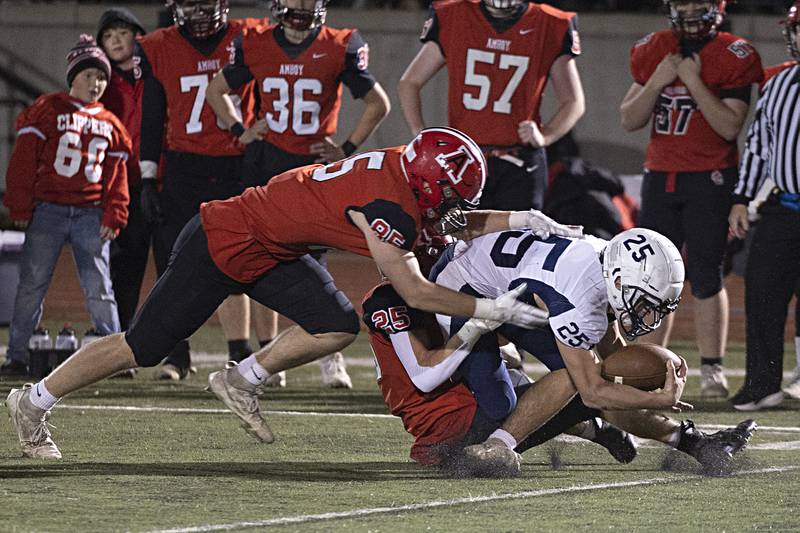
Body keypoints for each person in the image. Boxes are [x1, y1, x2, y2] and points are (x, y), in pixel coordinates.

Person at [4, 127, 581, 459]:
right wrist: (490, 310)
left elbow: (450, 217)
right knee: (143, 346)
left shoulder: (404, 176)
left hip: (274, 248)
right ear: (426, 182)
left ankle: (240, 378)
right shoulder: (390, 207)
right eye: (448, 197)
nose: (454, 209)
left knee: (336, 323)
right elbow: (415, 289)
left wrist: (520, 217)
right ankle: (32, 402)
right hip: (225, 238)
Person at [423, 227, 756, 476]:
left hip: (517, 293)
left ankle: (694, 442)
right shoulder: (579, 297)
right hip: (462, 289)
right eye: (645, 303)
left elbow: (611, 371)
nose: (650, 316)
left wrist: (638, 383)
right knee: (513, 405)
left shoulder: (606, 265)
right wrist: (655, 399)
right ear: (621, 282)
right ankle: (501, 444)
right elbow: (594, 392)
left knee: (601, 375)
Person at [206, 0, 391, 388]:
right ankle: (269, 354)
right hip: (268, 165)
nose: (298, 12)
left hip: (312, 171)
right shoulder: (255, 42)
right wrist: (240, 130)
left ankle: (330, 354)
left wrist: (347, 149)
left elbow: (379, 103)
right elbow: (217, 89)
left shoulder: (339, 45)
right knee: (260, 256)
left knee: (317, 261)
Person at [619, 0, 763, 398]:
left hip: (709, 178)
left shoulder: (734, 52)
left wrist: (693, 81)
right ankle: (653, 363)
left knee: (705, 273)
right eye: (682, 4)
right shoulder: (655, 48)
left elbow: (729, 126)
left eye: (697, 4)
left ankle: (712, 368)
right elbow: (629, 119)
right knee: (652, 278)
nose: (688, 12)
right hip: (660, 175)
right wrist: (658, 80)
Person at [361, 279, 638, 472]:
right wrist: (476, 326)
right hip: (453, 430)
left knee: (519, 376)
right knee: (580, 382)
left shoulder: (439, 284)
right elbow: (425, 376)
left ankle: (600, 429)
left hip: (461, 415)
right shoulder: (388, 299)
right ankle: (656, 433)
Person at [135, 0, 267, 380]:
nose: (200, 10)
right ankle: (178, 354)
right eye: (191, 3)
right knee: (173, 260)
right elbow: (153, 115)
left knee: (240, 255)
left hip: (236, 161)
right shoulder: (158, 46)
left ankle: (241, 352)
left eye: (207, 2)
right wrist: (148, 176)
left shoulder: (248, 35)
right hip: (184, 164)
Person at [1, 35, 131, 378]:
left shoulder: (112, 124)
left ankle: (115, 359)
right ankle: (17, 355)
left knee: (100, 287)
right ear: (73, 76)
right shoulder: (47, 109)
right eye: (89, 75)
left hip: (90, 213)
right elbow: (24, 162)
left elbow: (116, 177)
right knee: (32, 284)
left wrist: (115, 213)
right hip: (49, 210)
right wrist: (20, 204)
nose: (96, 83)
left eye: (101, 77)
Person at [398, 0, 585, 212]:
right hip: (463, 162)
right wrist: (421, 136)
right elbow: (410, 83)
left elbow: (574, 102)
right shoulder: (453, 15)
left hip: (518, 161)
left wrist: (546, 136)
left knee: (518, 240)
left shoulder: (551, 23)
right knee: (462, 240)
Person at [728, 1, 800, 410]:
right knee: (763, 295)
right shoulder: (777, 83)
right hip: (782, 206)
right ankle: (762, 383)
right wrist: (741, 197)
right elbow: (758, 146)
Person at [96, 8, 149, 379]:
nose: (116, 39)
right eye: (108, 34)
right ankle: (116, 348)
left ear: (137, 36)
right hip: (116, 182)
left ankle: (177, 353)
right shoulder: (97, 79)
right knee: (120, 269)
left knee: (169, 265)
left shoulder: (156, 73)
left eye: (123, 31)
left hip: (154, 179)